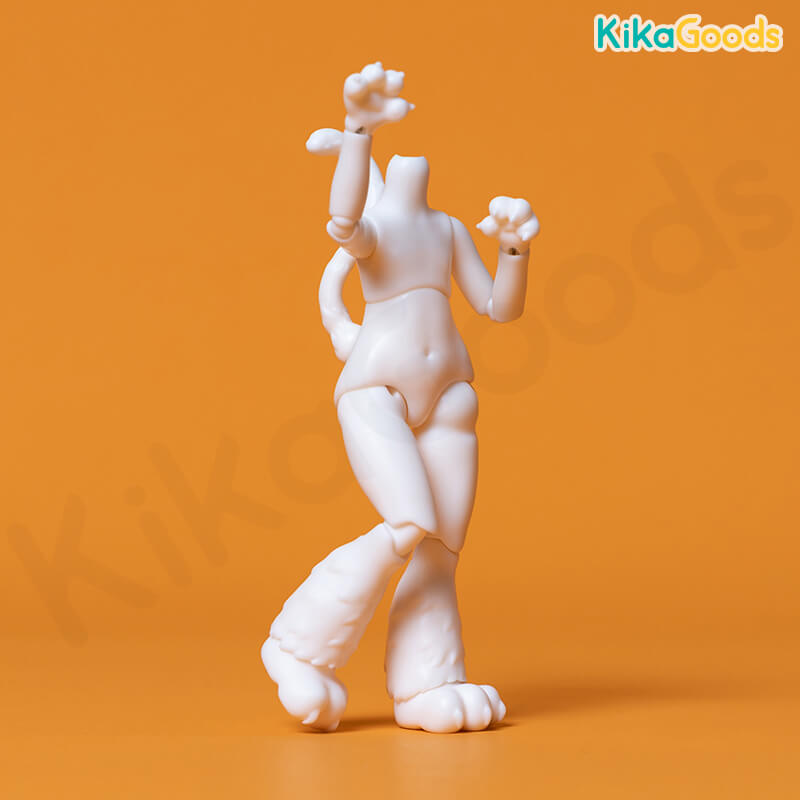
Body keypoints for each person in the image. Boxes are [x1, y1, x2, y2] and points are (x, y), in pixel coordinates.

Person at [262, 62, 539, 733]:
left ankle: (427, 683)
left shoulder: (448, 228)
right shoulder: (375, 228)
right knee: (408, 523)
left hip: (451, 398)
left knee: (441, 546)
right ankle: (299, 648)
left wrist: (514, 251)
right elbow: (341, 220)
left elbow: (498, 308)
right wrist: (359, 131)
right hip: (376, 389)